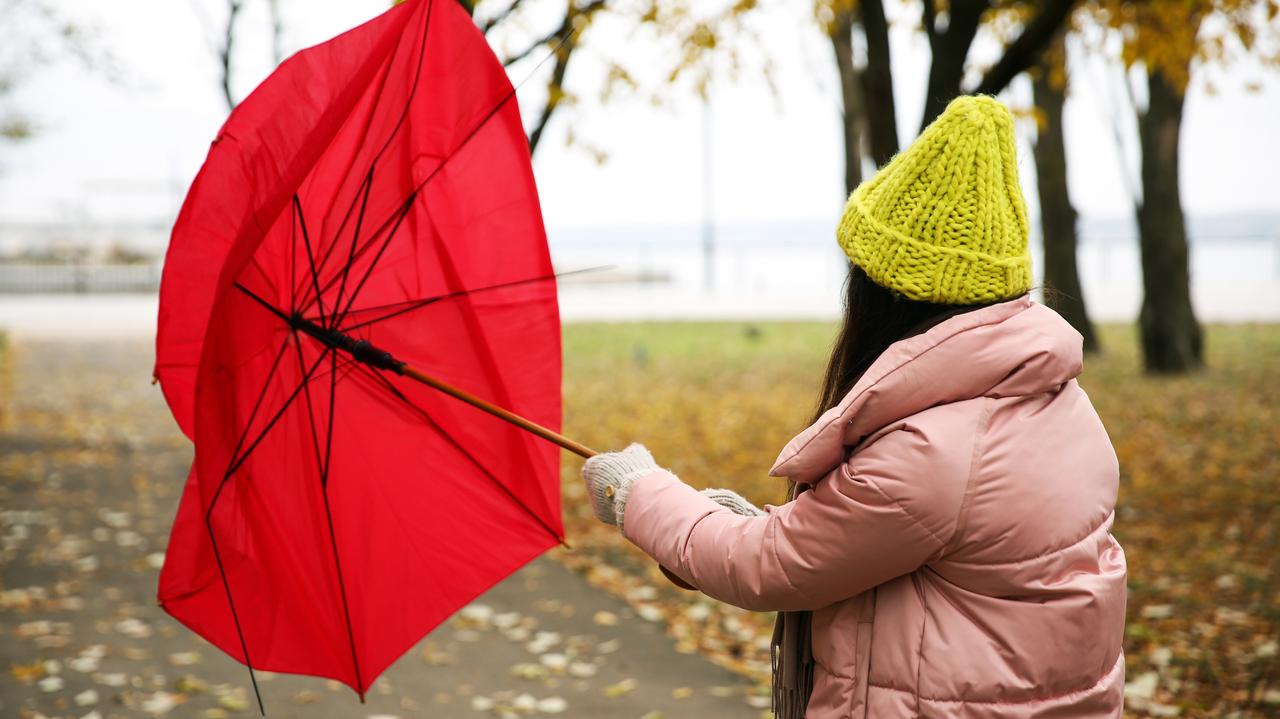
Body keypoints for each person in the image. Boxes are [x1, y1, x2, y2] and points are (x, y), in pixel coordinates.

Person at [580, 95, 1127, 718]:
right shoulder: (1062, 409)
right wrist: (754, 521)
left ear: (889, 296)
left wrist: (637, 492)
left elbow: (767, 565)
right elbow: (895, 539)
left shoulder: (933, 453)